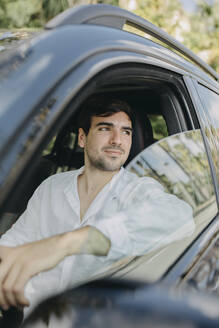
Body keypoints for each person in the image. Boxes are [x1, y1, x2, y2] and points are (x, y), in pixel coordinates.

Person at [0, 97, 195, 317]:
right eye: (105, 128)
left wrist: (66, 243)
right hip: (33, 317)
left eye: (126, 132)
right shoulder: (51, 186)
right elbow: (16, 240)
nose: (117, 140)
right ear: (82, 138)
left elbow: (181, 217)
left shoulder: (139, 190)